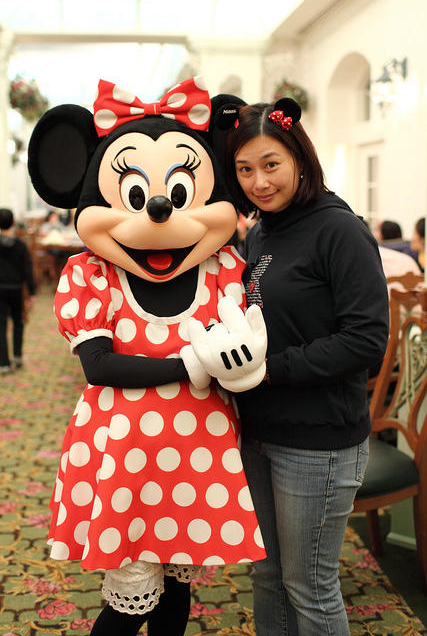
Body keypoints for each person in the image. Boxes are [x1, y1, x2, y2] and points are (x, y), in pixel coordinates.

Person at [27, 78, 266, 636]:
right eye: (136, 195)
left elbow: (246, 341)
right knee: (129, 600)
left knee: (179, 589)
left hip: (199, 455)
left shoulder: (223, 269)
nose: (159, 209)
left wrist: (247, 361)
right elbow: (100, 366)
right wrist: (195, 365)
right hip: (124, 457)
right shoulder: (92, 274)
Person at [215, 96, 390, 635]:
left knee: (310, 587)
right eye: (245, 169)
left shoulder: (339, 229)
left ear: (299, 158)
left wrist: (272, 370)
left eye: (271, 165)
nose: (258, 182)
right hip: (261, 429)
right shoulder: (263, 229)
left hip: (319, 439)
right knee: (268, 575)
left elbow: (367, 339)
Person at [0, 208, 36, 373]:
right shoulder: (20, 245)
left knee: (1, 325)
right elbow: (28, 270)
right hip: (16, 289)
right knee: (18, 322)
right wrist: (32, 292)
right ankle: (17, 356)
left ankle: (4, 364)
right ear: (13, 223)